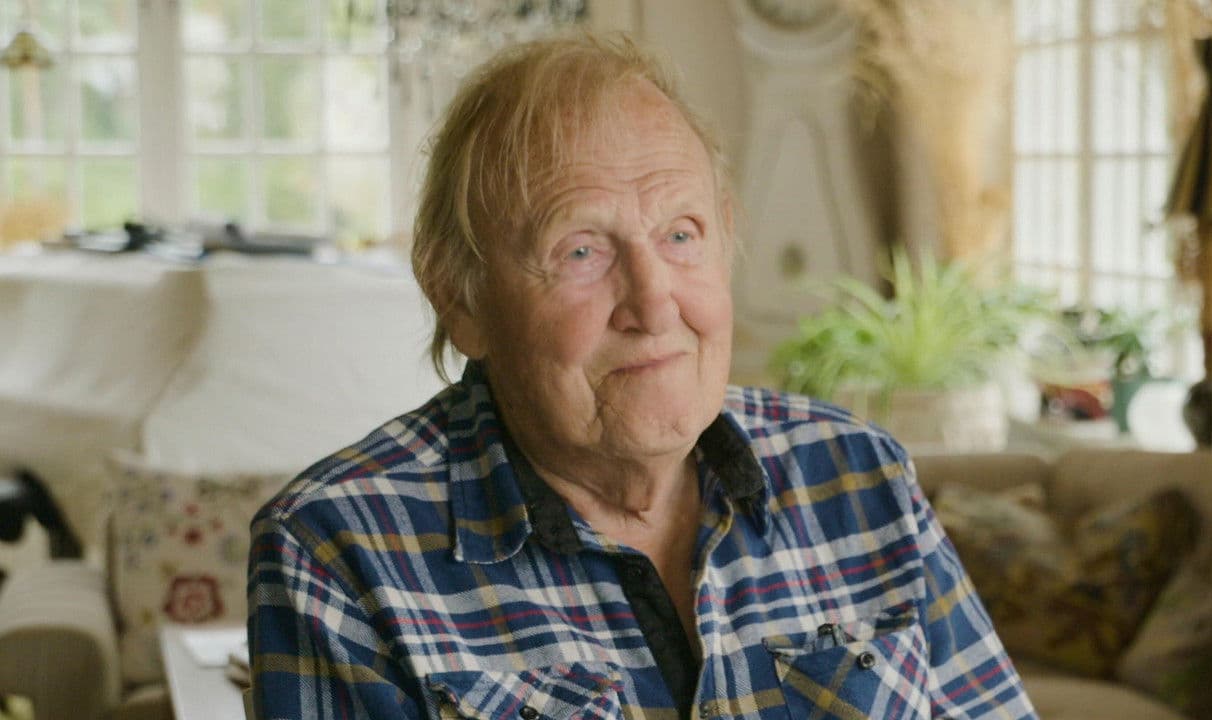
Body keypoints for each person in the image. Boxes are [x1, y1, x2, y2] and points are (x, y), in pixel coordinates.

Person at [247, 33, 1037, 720]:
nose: (655, 304)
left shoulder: (860, 476)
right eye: (581, 250)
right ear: (460, 297)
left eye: (681, 235)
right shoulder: (337, 551)